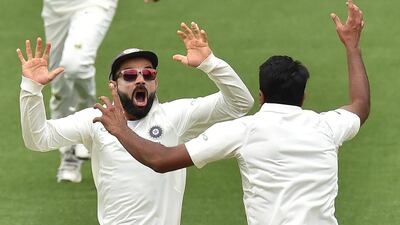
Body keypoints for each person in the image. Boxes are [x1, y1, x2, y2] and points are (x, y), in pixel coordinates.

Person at [94, 1, 370, 224]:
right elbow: (360, 104)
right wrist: (352, 47)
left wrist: (121, 130)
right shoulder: (326, 126)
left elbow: (160, 159)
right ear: (304, 96)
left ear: (261, 96)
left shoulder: (243, 131)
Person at [18, 22, 254, 224]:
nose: (140, 79)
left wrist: (210, 63)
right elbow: (39, 139)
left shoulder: (174, 116)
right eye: (130, 75)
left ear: (155, 82)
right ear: (114, 85)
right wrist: (31, 89)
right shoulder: (96, 120)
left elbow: (240, 103)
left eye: (148, 74)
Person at [42, 0, 160, 183]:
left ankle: (88, 122)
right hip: (55, 7)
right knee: (59, 83)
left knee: (75, 65)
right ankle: (68, 153)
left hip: (94, 3)